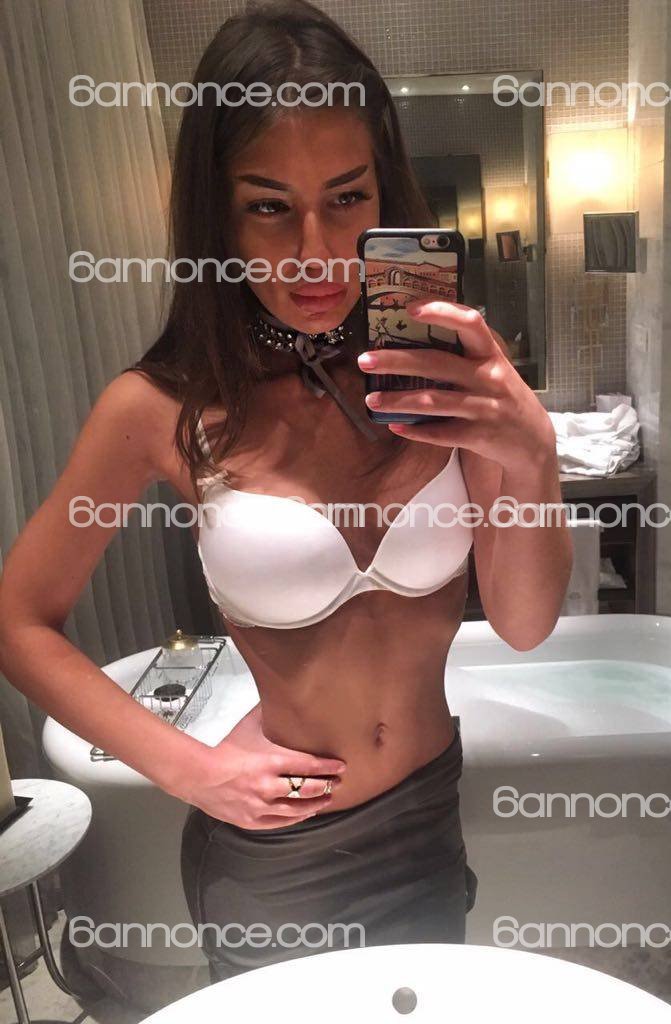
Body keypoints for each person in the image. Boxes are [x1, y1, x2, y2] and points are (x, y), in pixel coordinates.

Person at [0, 0, 572, 983]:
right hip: (279, 859)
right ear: (216, 214)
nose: (316, 249)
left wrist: (534, 455)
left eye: (347, 198)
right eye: (270, 206)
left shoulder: (438, 371)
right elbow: (19, 621)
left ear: (385, 194)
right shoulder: (162, 404)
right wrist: (191, 769)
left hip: (428, 818)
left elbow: (523, 624)